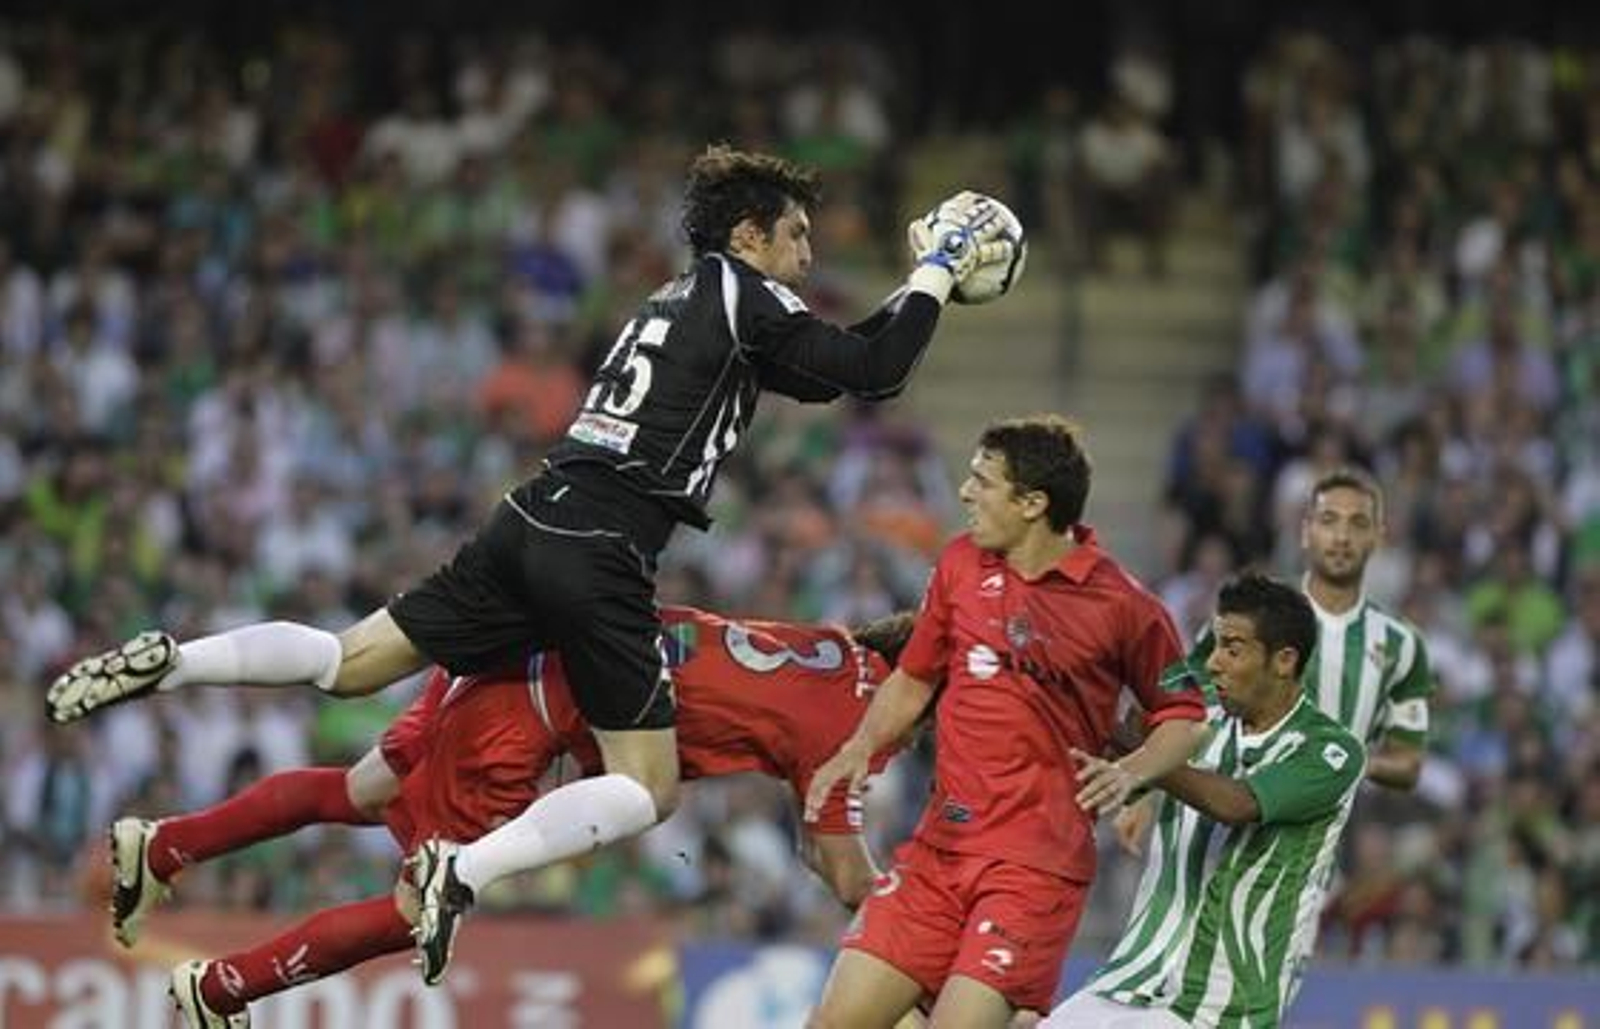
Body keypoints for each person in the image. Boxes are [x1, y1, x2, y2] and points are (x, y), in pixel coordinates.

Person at [47, 146, 1015, 978]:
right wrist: (935, 269)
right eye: (797, 236)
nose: (808, 256)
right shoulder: (746, 293)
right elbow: (875, 370)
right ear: (751, 234)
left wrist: (913, 292)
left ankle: (176, 660)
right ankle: (461, 873)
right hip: (602, 550)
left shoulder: (684, 299)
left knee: (348, 663)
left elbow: (840, 368)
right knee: (648, 786)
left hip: (528, 516)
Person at [107, 605, 914, 1027]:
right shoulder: (860, 722)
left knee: (360, 791)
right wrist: (916, 952)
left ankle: (167, 845)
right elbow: (843, 869)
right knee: (414, 906)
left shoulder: (835, 647)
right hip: (529, 712)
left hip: (516, 651)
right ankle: (223, 987)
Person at [800, 414, 1211, 1029]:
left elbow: (1186, 716)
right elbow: (914, 678)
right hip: (938, 852)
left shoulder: (1125, 605)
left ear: (1032, 504)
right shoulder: (960, 564)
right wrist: (859, 746)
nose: (965, 493)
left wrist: (1132, 773)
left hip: (1033, 871)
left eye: (982, 481)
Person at [1041, 572, 1366, 1028]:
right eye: (1214, 645)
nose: (1212, 663)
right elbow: (1125, 735)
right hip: (1133, 975)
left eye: (1232, 649)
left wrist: (1147, 759)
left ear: (1284, 660)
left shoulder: (1331, 751)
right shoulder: (1194, 723)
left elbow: (1237, 805)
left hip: (1223, 1005)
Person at [1115, 465, 1433, 856]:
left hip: (1332, 822)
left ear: (1378, 536)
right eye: (1328, 520)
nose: (1341, 537)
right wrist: (1143, 786)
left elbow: (1409, 764)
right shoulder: (1256, 611)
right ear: (1305, 530)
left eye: (1357, 523)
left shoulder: (1401, 644)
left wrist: (1344, 764)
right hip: (1224, 800)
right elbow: (1184, 695)